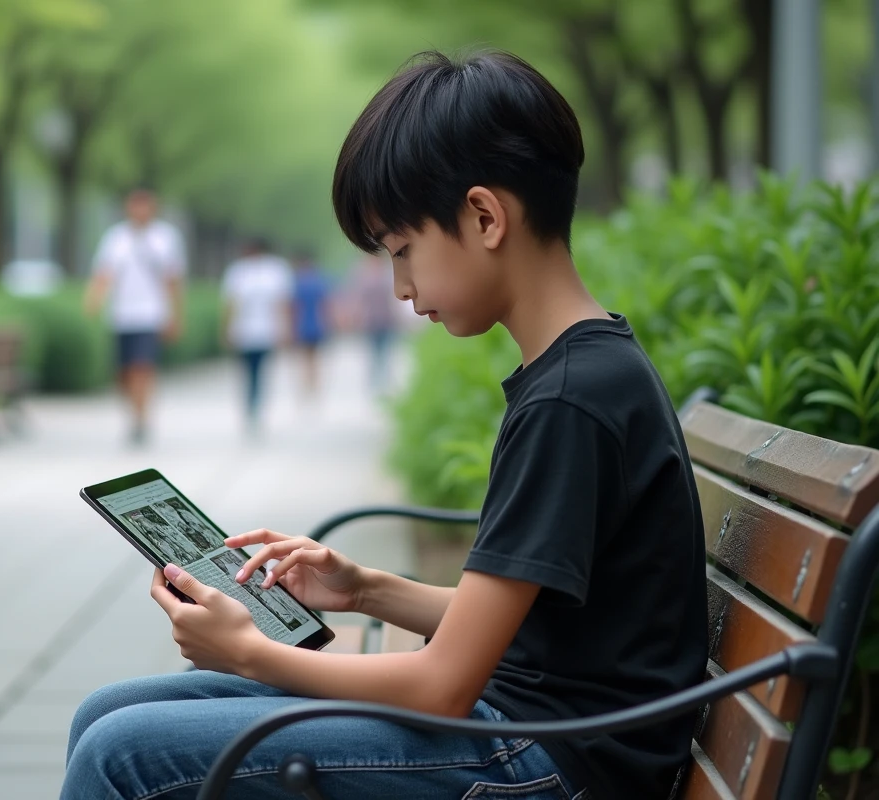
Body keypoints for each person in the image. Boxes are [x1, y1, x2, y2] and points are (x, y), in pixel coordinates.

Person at [61, 50, 707, 800]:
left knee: (123, 755)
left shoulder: (571, 399)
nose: (399, 288)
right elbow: (512, 625)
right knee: (105, 715)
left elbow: (441, 689)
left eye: (403, 251)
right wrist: (363, 588)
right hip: (525, 726)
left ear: (486, 215)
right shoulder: (581, 373)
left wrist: (251, 653)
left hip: (549, 763)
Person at [85, 187, 187, 445]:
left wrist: (175, 316)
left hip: (151, 315)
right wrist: (93, 300)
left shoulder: (165, 238)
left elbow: (173, 280)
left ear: (153, 207)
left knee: (143, 368)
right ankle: (133, 414)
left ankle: (141, 419)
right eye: (135, 205)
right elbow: (103, 273)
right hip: (120, 315)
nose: (139, 210)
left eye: (145, 205)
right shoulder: (115, 238)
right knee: (123, 373)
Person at [220, 237, 294, 433]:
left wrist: (285, 329)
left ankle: (256, 408)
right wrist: (227, 329)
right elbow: (231, 304)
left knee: (260, 372)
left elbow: (282, 303)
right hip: (243, 332)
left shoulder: (275, 270)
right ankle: (249, 407)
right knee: (247, 372)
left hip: (266, 332)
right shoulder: (237, 272)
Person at [352, 252, 399, 392]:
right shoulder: (363, 275)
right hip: (370, 320)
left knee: (385, 351)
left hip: (385, 319)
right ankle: (374, 383)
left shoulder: (387, 274)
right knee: (373, 352)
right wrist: (357, 316)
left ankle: (384, 382)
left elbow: (393, 298)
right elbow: (359, 299)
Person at [289, 248, 334, 395]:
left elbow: (294, 307)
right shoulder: (318, 280)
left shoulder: (297, 282)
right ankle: (315, 384)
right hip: (316, 323)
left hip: (302, 324)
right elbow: (325, 305)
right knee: (315, 356)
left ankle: (306, 385)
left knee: (305, 356)